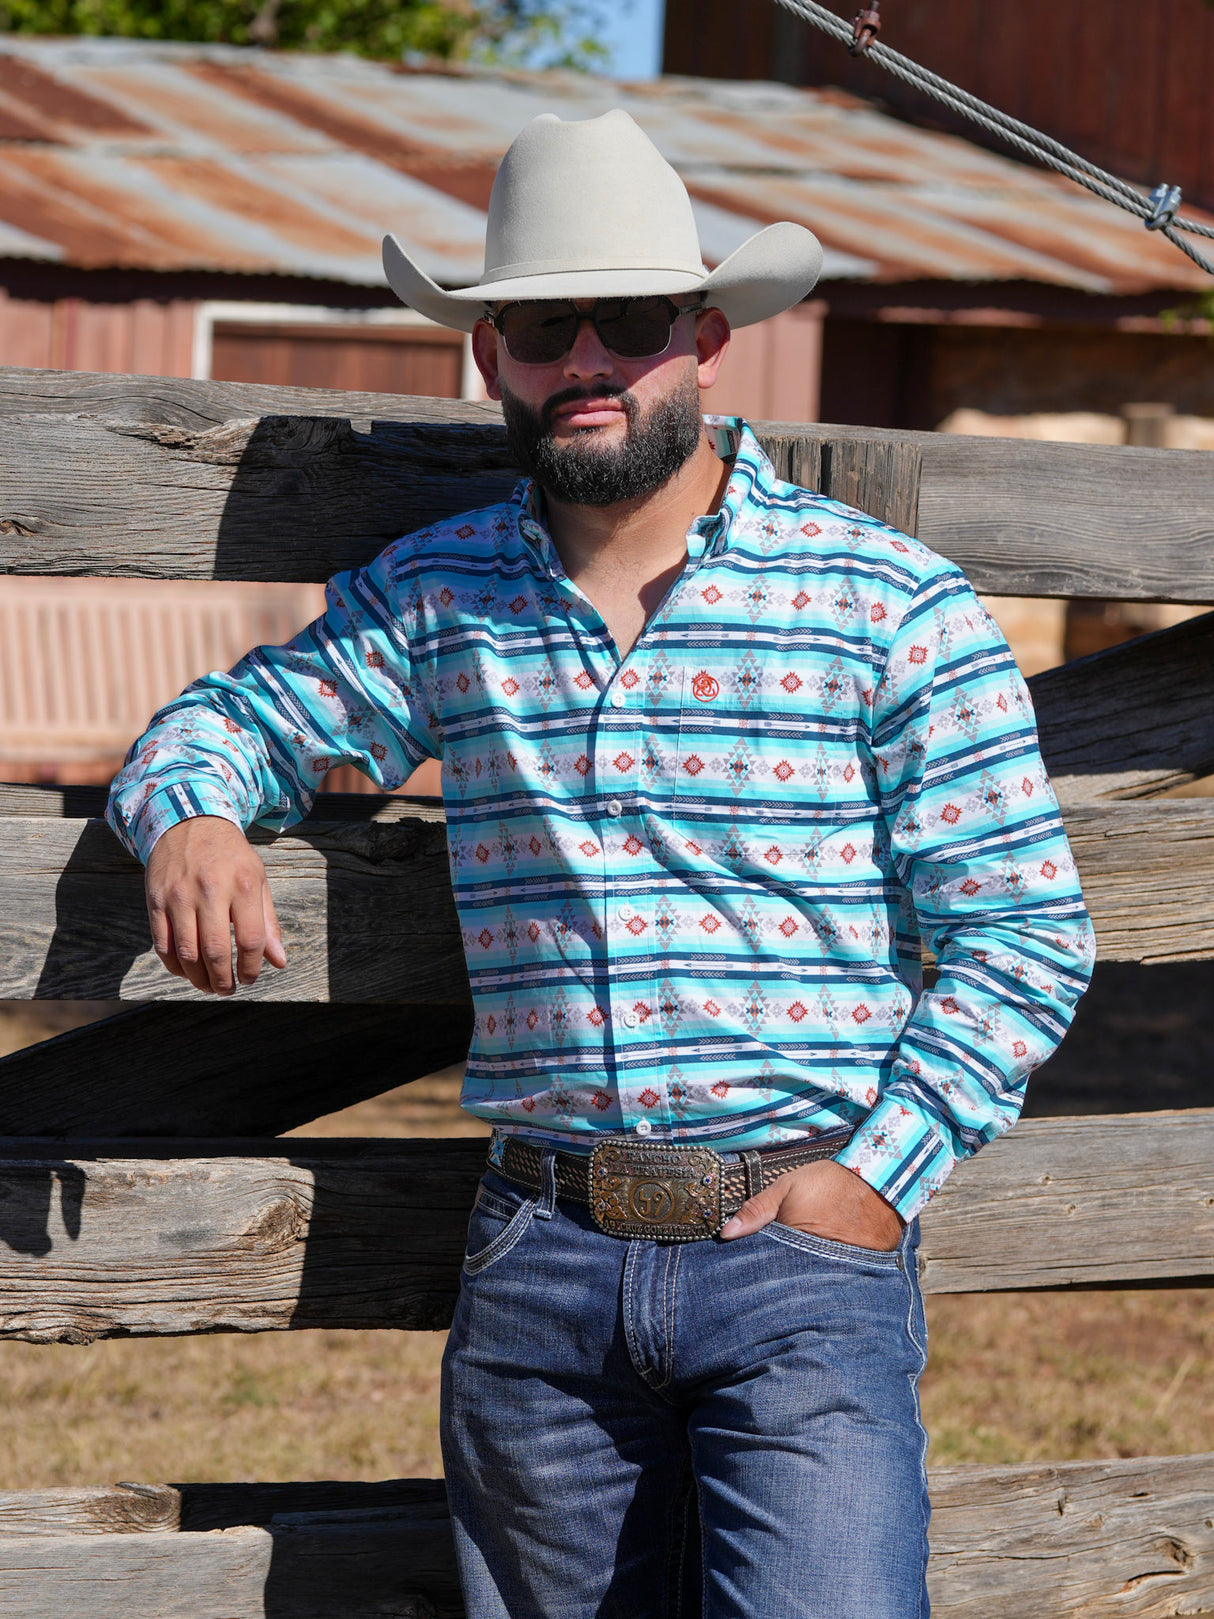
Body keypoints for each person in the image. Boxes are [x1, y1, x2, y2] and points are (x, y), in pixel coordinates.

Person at [107, 109, 1095, 1618]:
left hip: (801, 1247)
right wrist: (191, 818)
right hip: (542, 1262)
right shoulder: (439, 598)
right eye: (536, 328)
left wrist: (874, 1182)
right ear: (487, 357)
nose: (584, 360)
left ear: (707, 338)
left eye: (627, 320)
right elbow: (229, 721)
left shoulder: (885, 601)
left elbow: (1021, 934)